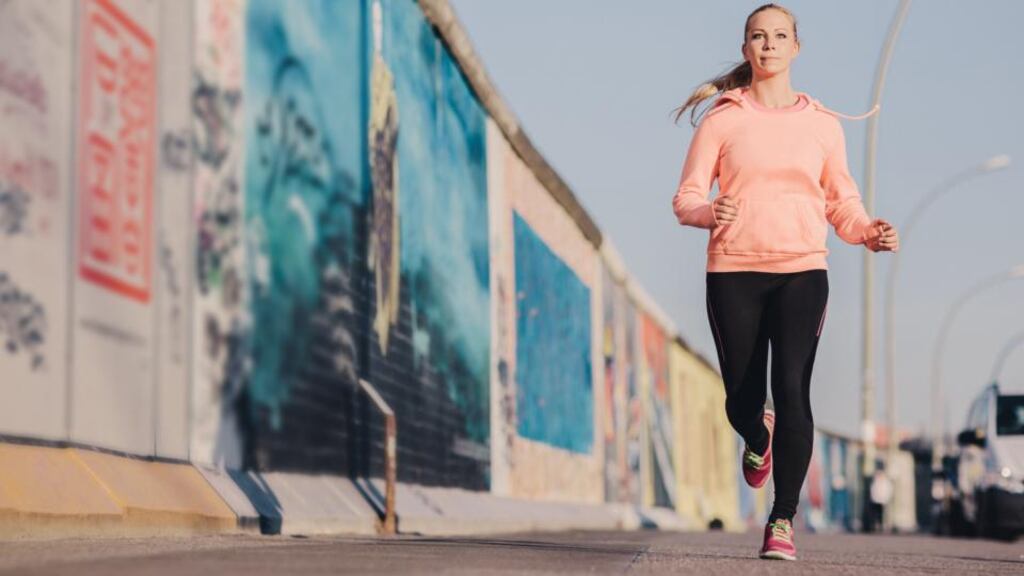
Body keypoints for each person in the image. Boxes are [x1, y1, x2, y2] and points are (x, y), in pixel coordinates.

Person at [671, 3, 900, 561]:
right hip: (734, 272)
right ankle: (757, 437)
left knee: (793, 389)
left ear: (797, 47)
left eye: (779, 36)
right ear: (746, 48)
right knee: (741, 398)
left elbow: (842, 202)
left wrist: (867, 232)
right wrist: (708, 213)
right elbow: (687, 198)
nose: (769, 44)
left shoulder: (822, 124)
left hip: (802, 271)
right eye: (758, 36)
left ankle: (782, 519)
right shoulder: (723, 119)